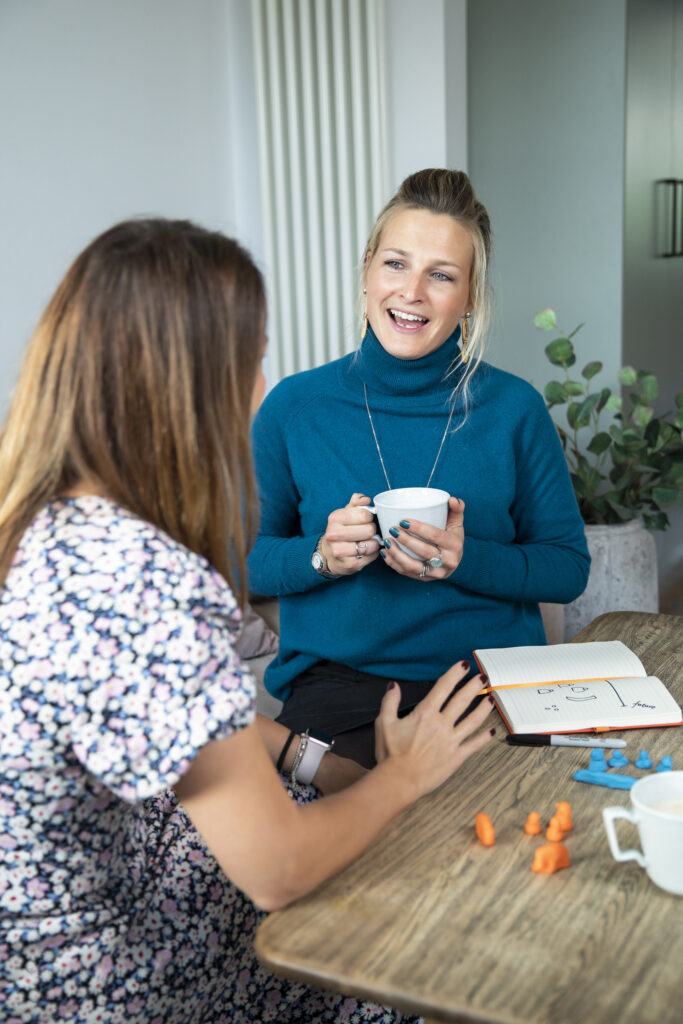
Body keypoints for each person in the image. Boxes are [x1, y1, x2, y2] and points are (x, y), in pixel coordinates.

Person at [0, 217, 495, 1024]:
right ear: (193, 379)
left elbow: (179, 721)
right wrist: (407, 775)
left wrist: (312, 761)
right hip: (96, 975)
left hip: (35, 937)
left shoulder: (41, 523)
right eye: (254, 356)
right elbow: (274, 872)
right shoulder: (140, 578)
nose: (261, 384)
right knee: (404, 948)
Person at [248, 168, 590, 767]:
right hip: (340, 688)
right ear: (367, 269)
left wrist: (466, 558)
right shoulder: (295, 407)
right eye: (396, 264)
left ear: (471, 296)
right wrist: (320, 558)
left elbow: (566, 568)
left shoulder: (514, 408)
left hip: (488, 683)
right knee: (338, 848)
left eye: (442, 275)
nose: (412, 293)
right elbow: (247, 560)